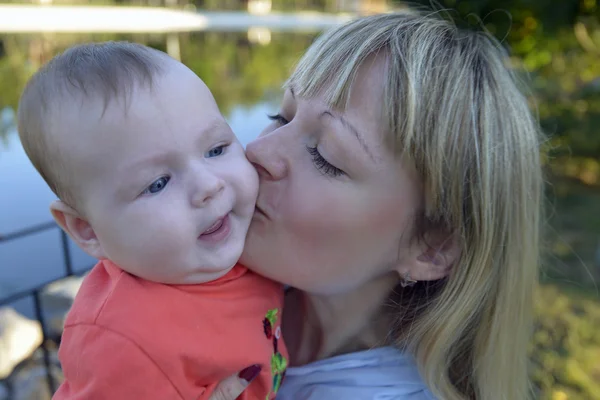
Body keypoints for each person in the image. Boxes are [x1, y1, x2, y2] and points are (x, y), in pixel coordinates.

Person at [210, 10, 544, 400]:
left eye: (325, 155)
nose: (258, 149)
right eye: (281, 116)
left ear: (431, 246)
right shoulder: (209, 262)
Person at [17, 42, 288, 399]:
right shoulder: (123, 343)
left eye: (217, 149)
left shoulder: (250, 240)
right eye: (157, 184)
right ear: (87, 229)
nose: (209, 185)